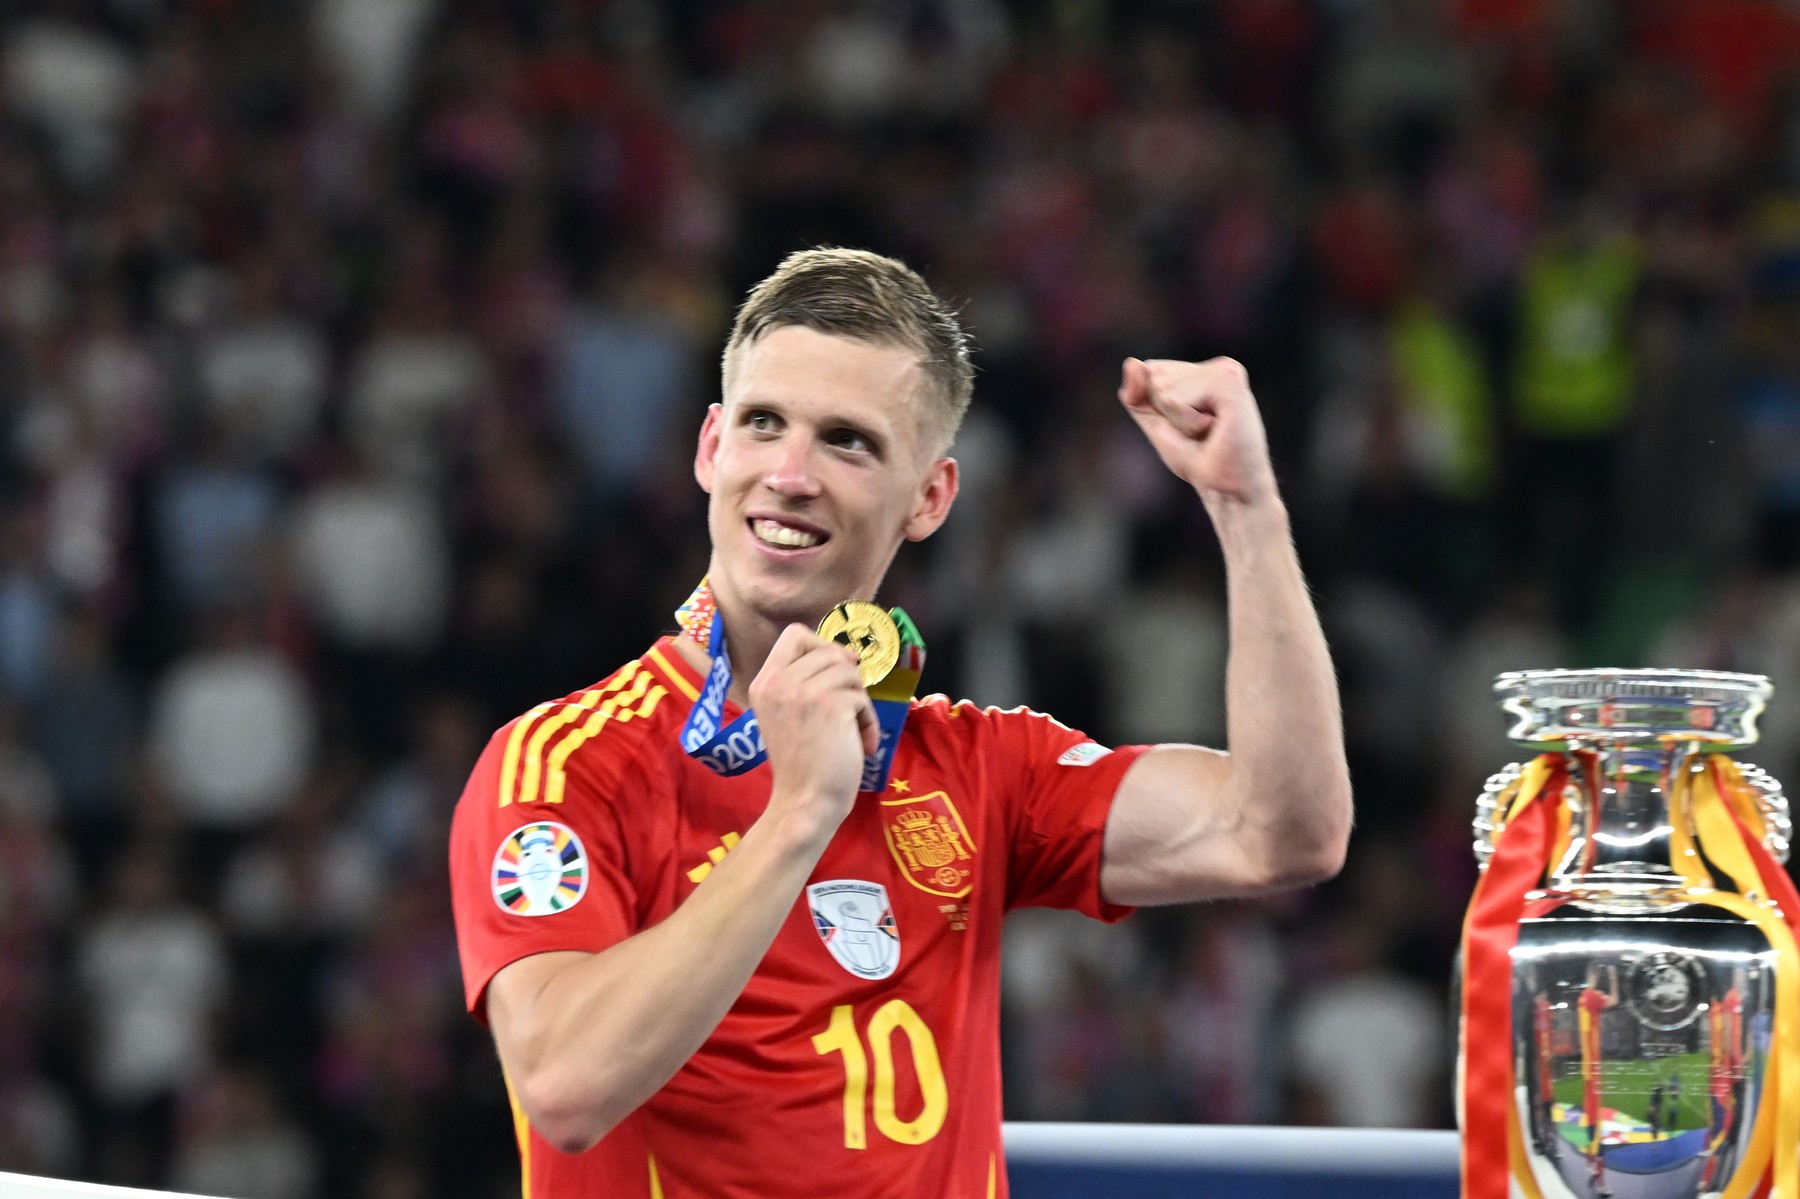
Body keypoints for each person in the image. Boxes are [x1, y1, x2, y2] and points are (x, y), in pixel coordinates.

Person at [448, 248, 1353, 1197]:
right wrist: (799, 813)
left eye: (849, 441)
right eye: (764, 425)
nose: (790, 475)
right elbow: (563, 1082)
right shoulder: (566, 764)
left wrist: (1245, 506)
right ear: (711, 447)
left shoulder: (977, 766)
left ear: (930, 498)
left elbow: (1281, 831)